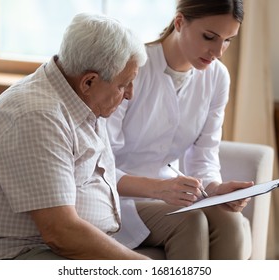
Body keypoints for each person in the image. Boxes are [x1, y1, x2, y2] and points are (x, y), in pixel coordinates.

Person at [0, 13, 149, 260]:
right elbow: (61, 233)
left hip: (59, 242)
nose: (129, 95)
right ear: (89, 82)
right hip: (14, 254)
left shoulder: (81, 98)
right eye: (123, 85)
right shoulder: (36, 116)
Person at [107, 0, 254, 259]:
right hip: (118, 198)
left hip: (170, 195)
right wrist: (158, 189)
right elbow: (100, 164)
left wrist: (216, 189)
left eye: (228, 40)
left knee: (230, 221)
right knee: (192, 221)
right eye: (210, 37)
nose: (219, 51)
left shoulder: (217, 77)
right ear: (179, 22)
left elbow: (204, 156)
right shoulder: (132, 68)